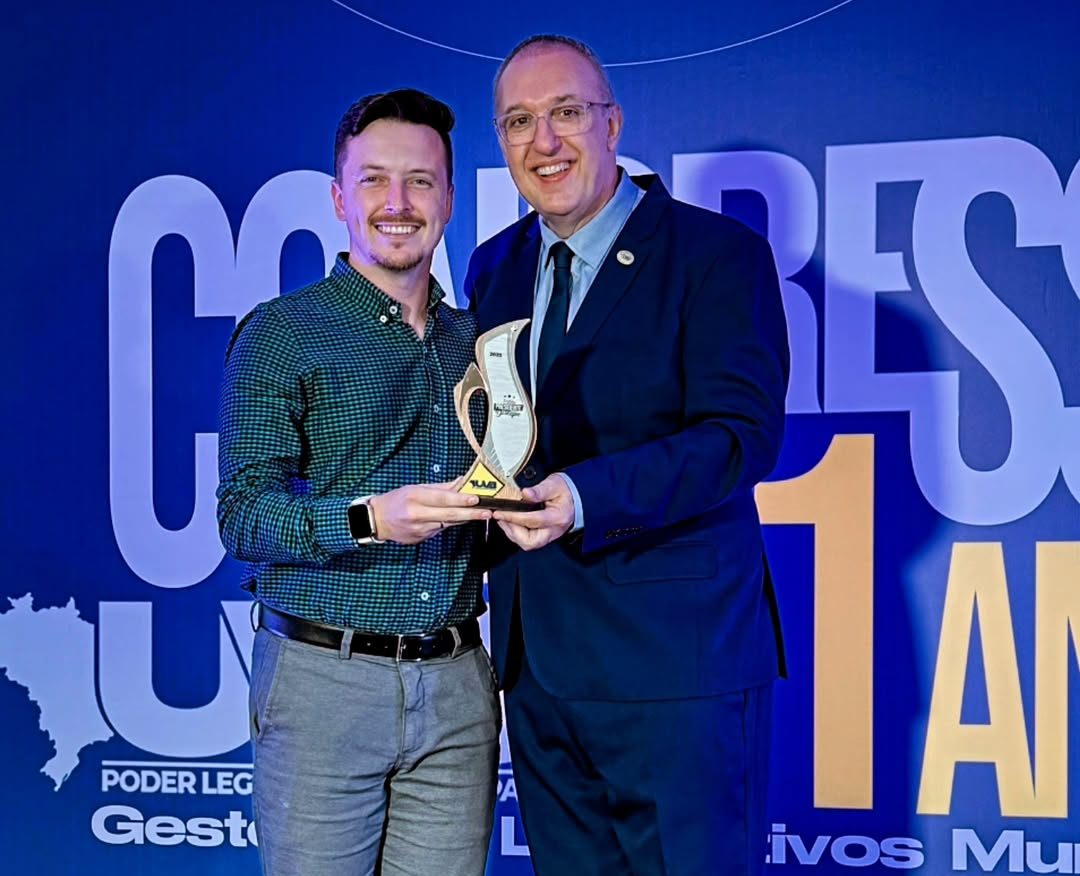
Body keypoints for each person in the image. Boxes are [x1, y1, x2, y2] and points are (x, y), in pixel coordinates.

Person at [465, 35, 790, 876]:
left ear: (612, 123)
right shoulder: (493, 266)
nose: (544, 141)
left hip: (676, 665)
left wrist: (585, 495)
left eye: (567, 113)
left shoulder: (717, 255)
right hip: (539, 666)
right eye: (519, 122)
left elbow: (740, 435)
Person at [217, 89, 499, 876]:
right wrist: (368, 518)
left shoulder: (478, 341)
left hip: (457, 687)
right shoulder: (282, 332)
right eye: (374, 179)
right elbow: (242, 515)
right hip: (323, 686)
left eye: (420, 180)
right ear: (340, 198)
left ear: (449, 197)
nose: (397, 203)